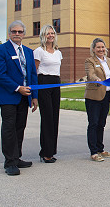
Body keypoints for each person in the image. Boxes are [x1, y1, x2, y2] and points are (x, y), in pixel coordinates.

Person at [0, 20, 38, 175]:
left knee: (20, 127)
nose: (17, 34)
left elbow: (32, 75)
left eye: (20, 32)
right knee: (9, 129)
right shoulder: (0, 50)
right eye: (14, 31)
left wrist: (34, 97)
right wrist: (18, 88)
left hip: (25, 98)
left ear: (24, 34)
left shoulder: (28, 52)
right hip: (9, 97)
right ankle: (9, 162)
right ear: (9, 33)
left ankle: (17, 157)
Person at [84, 38, 110, 162]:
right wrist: (96, 79)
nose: (101, 49)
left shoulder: (108, 60)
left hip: (106, 95)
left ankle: (100, 149)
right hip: (93, 97)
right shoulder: (90, 61)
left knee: (101, 124)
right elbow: (91, 74)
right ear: (93, 49)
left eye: (102, 47)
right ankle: (93, 152)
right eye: (98, 47)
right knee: (93, 123)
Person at [34, 25, 62, 163]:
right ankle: (45, 152)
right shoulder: (39, 51)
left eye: (52, 33)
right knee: (47, 118)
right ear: (43, 36)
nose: (50, 35)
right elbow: (35, 71)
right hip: (44, 82)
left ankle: (51, 150)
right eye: (47, 33)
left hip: (56, 83)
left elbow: (57, 70)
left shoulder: (58, 52)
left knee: (55, 117)